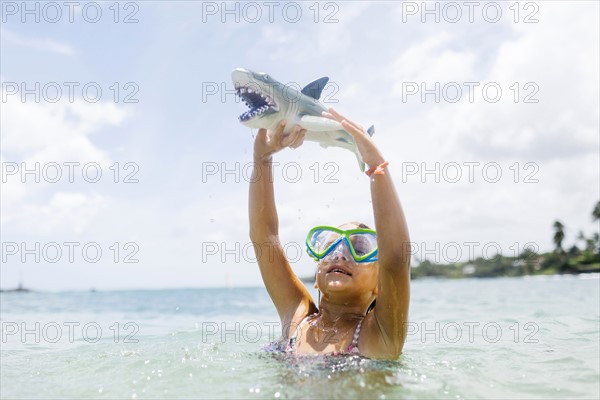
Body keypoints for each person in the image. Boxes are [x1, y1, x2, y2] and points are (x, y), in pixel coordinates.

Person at [249, 108, 410, 360]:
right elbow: (264, 237)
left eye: (359, 249)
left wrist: (377, 166)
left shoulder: (379, 335)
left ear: (380, 286)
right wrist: (262, 158)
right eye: (330, 246)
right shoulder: (298, 317)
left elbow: (396, 262)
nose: (340, 255)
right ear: (315, 278)